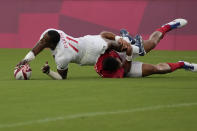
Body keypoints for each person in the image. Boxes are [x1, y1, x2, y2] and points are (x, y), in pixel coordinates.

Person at [16, 28, 142, 80]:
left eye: (45, 41)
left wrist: (49, 72)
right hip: (87, 40)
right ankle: (126, 39)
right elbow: (39, 46)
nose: (41, 41)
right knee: (109, 40)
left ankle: (134, 45)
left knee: (129, 49)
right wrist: (26, 59)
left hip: (91, 53)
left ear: (52, 44)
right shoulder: (51, 33)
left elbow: (62, 78)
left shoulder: (63, 55)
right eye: (43, 39)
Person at [95, 18, 197, 78]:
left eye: (119, 61)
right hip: (127, 66)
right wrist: (129, 56)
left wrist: (119, 41)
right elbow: (126, 68)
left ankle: (167, 27)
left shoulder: (102, 54)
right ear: (117, 68)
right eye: (119, 64)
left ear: (112, 57)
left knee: (152, 43)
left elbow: (104, 36)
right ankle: (182, 64)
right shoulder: (114, 73)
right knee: (157, 69)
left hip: (118, 50)